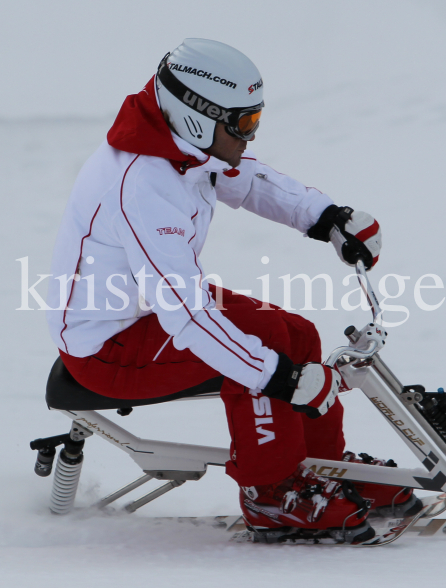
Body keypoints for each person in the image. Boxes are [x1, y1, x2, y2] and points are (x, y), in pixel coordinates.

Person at [46, 38, 416, 541]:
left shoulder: (181, 147)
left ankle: (322, 470)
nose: (251, 134)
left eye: (255, 119)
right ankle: (271, 492)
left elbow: (250, 180)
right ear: (197, 115)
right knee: (264, 352)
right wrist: (279, 378)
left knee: (296, 332)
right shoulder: (141, 186)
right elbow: (189, 318)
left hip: (148, 315)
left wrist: (327, 218)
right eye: (243, 123)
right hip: (106, 349)